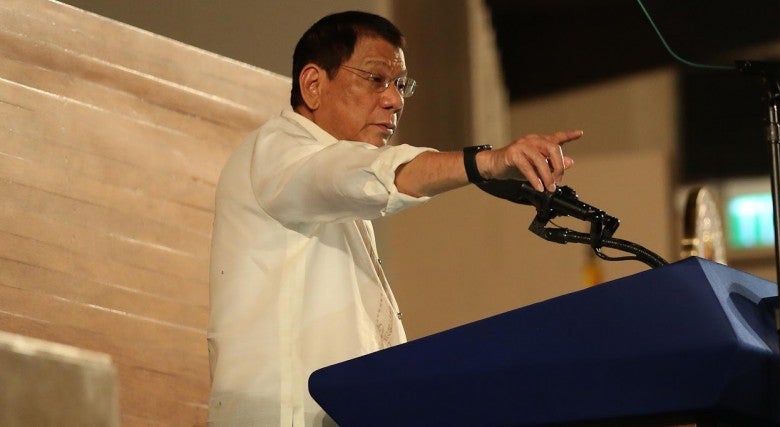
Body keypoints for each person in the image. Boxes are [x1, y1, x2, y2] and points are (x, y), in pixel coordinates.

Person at [206, 11, 581, 426]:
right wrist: (488, 162)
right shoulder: (278, 152)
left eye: (400, 85)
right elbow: (367, 174)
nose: (395, 100)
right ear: (313, 84)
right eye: (375, 79)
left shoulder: (324, 172)